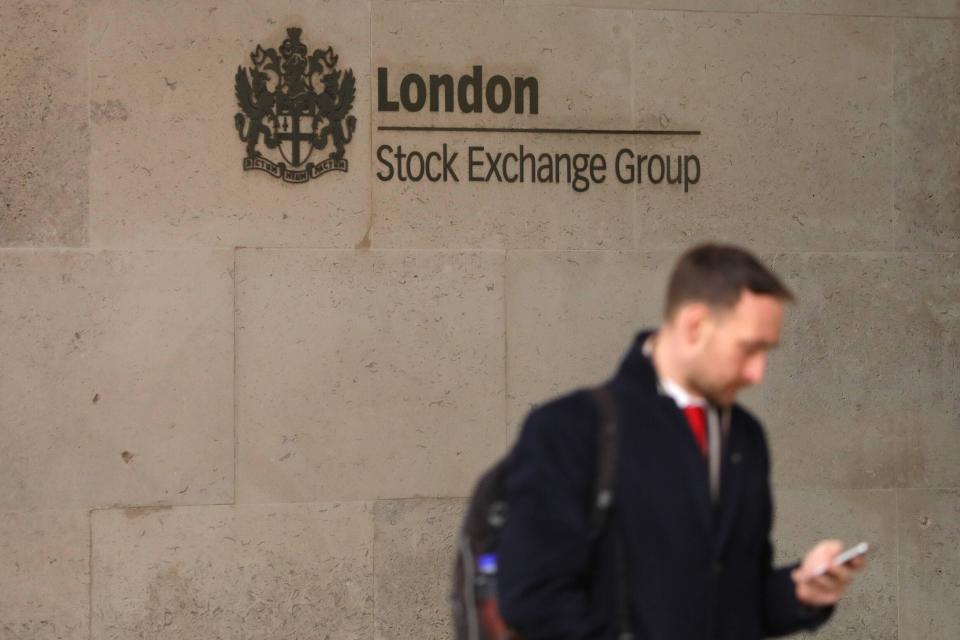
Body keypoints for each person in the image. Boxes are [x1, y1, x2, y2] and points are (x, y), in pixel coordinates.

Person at [497, 243, 866, 640]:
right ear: (694, 326)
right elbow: (533, 599)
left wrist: (802, 590)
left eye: (766, 352)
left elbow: (739, 601)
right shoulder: (569, 428)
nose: (758, 373)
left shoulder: (745, 437)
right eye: (749, 349)